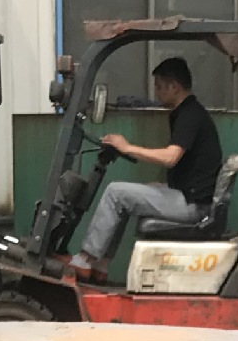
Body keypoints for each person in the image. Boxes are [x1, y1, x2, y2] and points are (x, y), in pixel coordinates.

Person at [66, 56, 222, 280]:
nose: (157, 93)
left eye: (159, 87)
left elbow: (170, 157)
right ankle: (101, 265)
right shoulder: (187, 113)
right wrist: (163, 186)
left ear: (174, 87)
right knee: (127, 197)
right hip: (190, 197)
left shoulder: (190, 115)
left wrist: (127, 147)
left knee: (116, 192)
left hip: (192, 206)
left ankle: (86, 258)